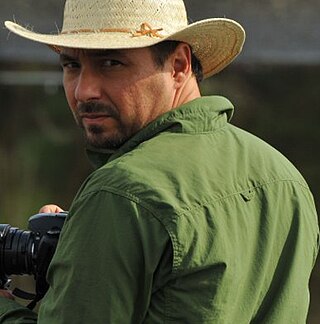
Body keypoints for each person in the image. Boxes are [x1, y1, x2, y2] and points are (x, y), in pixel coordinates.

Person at [1, 0, 319, 322]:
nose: (84, 91)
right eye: (71, 66)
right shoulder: (284, 178)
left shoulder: (120, 192)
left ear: (179, 64)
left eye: (111, 63)